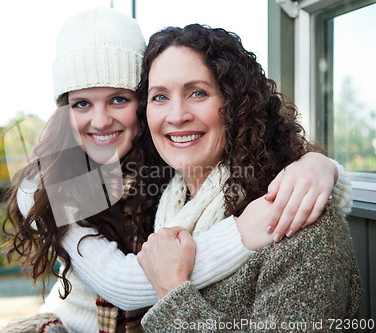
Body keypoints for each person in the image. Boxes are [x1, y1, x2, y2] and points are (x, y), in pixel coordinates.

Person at [0, 8, 352, 333]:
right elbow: (125, 281)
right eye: (81, 103)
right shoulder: (48, 183)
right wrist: (243, 231)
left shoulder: (158, 168)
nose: (100, 119)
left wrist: (321, 167)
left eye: (119, 99)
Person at [127, 24, 361, 332]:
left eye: (198, 92)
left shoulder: (297, 218)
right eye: (160, 97)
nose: (176, 115)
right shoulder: (156, 205)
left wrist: (171, 290)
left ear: (237, 104)